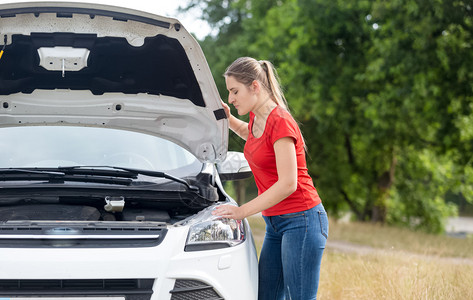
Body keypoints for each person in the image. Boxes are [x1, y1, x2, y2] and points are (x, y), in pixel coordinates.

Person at [212, 57, 328, 300]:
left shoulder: (280, 122)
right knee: (267, 295)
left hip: (302, 220)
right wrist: (229, 118)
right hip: (276, 224)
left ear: (254, 86)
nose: (231, 99)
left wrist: (242, 211)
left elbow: (288, 184)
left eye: (235, 91)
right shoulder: (258, 117)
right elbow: (252, 135)